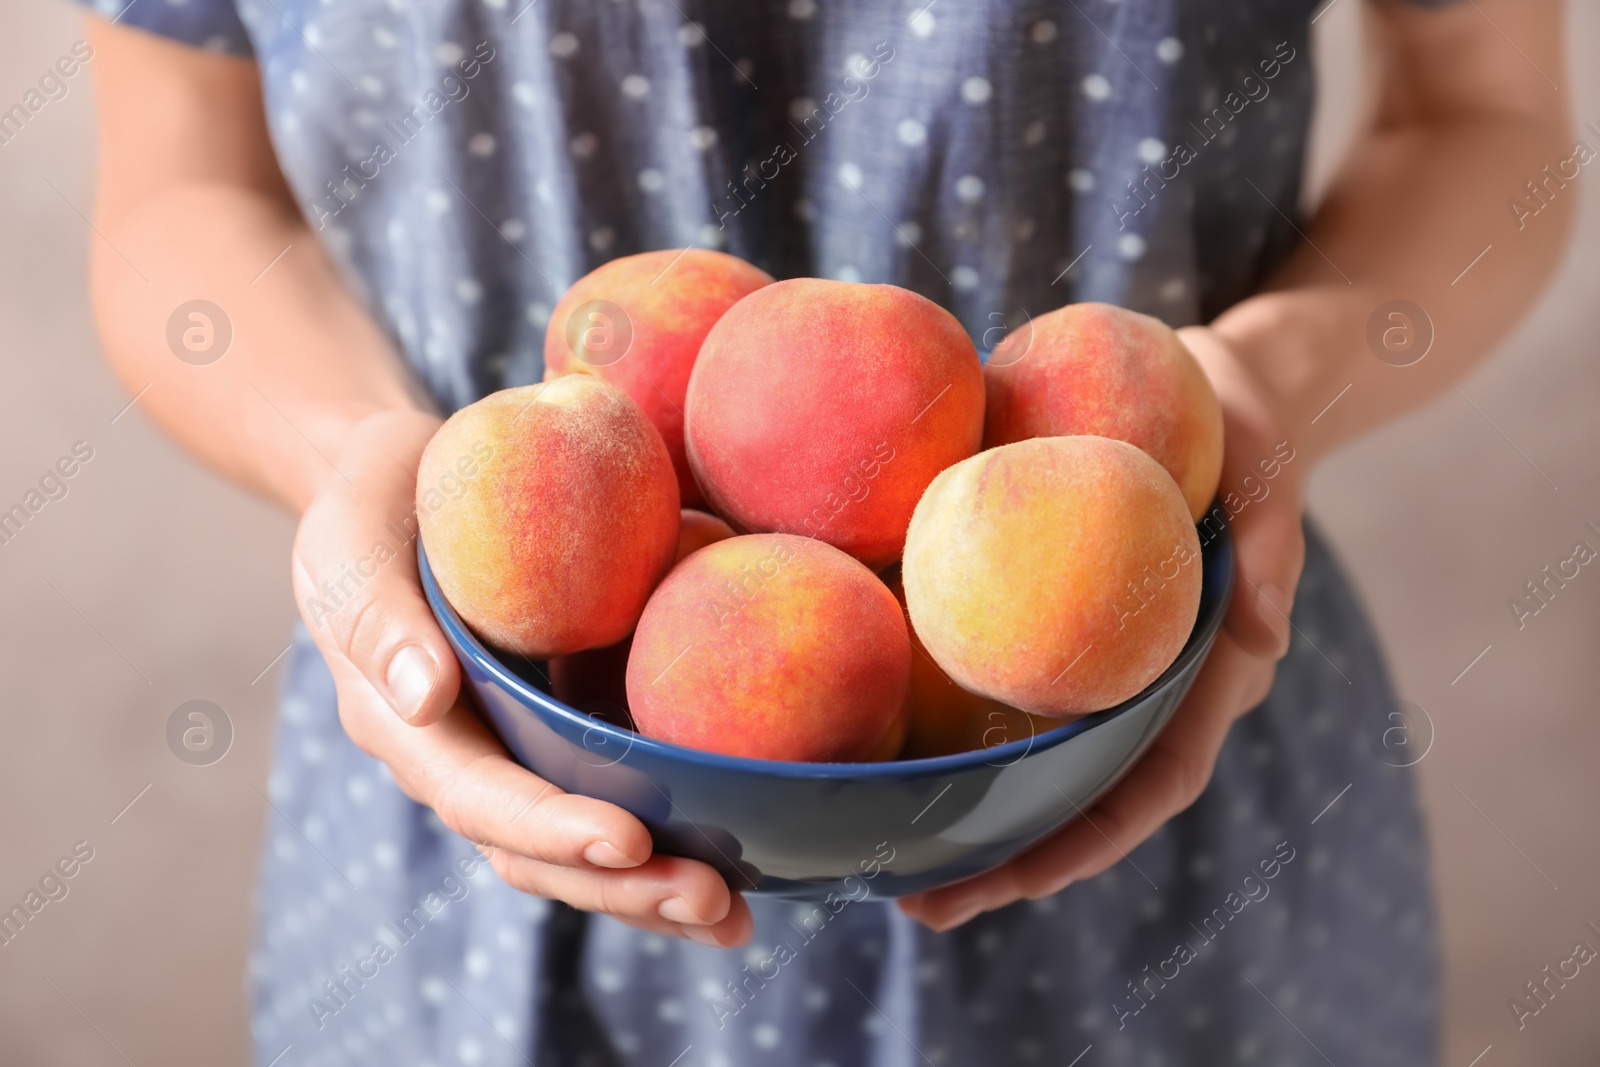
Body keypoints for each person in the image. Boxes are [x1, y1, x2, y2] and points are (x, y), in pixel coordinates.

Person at [79, 0, 1571, 1062]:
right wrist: (360, 455)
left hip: (1140, 723)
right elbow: (183, 185)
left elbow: (1489, 111)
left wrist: (1264, 380)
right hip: (489, 755)